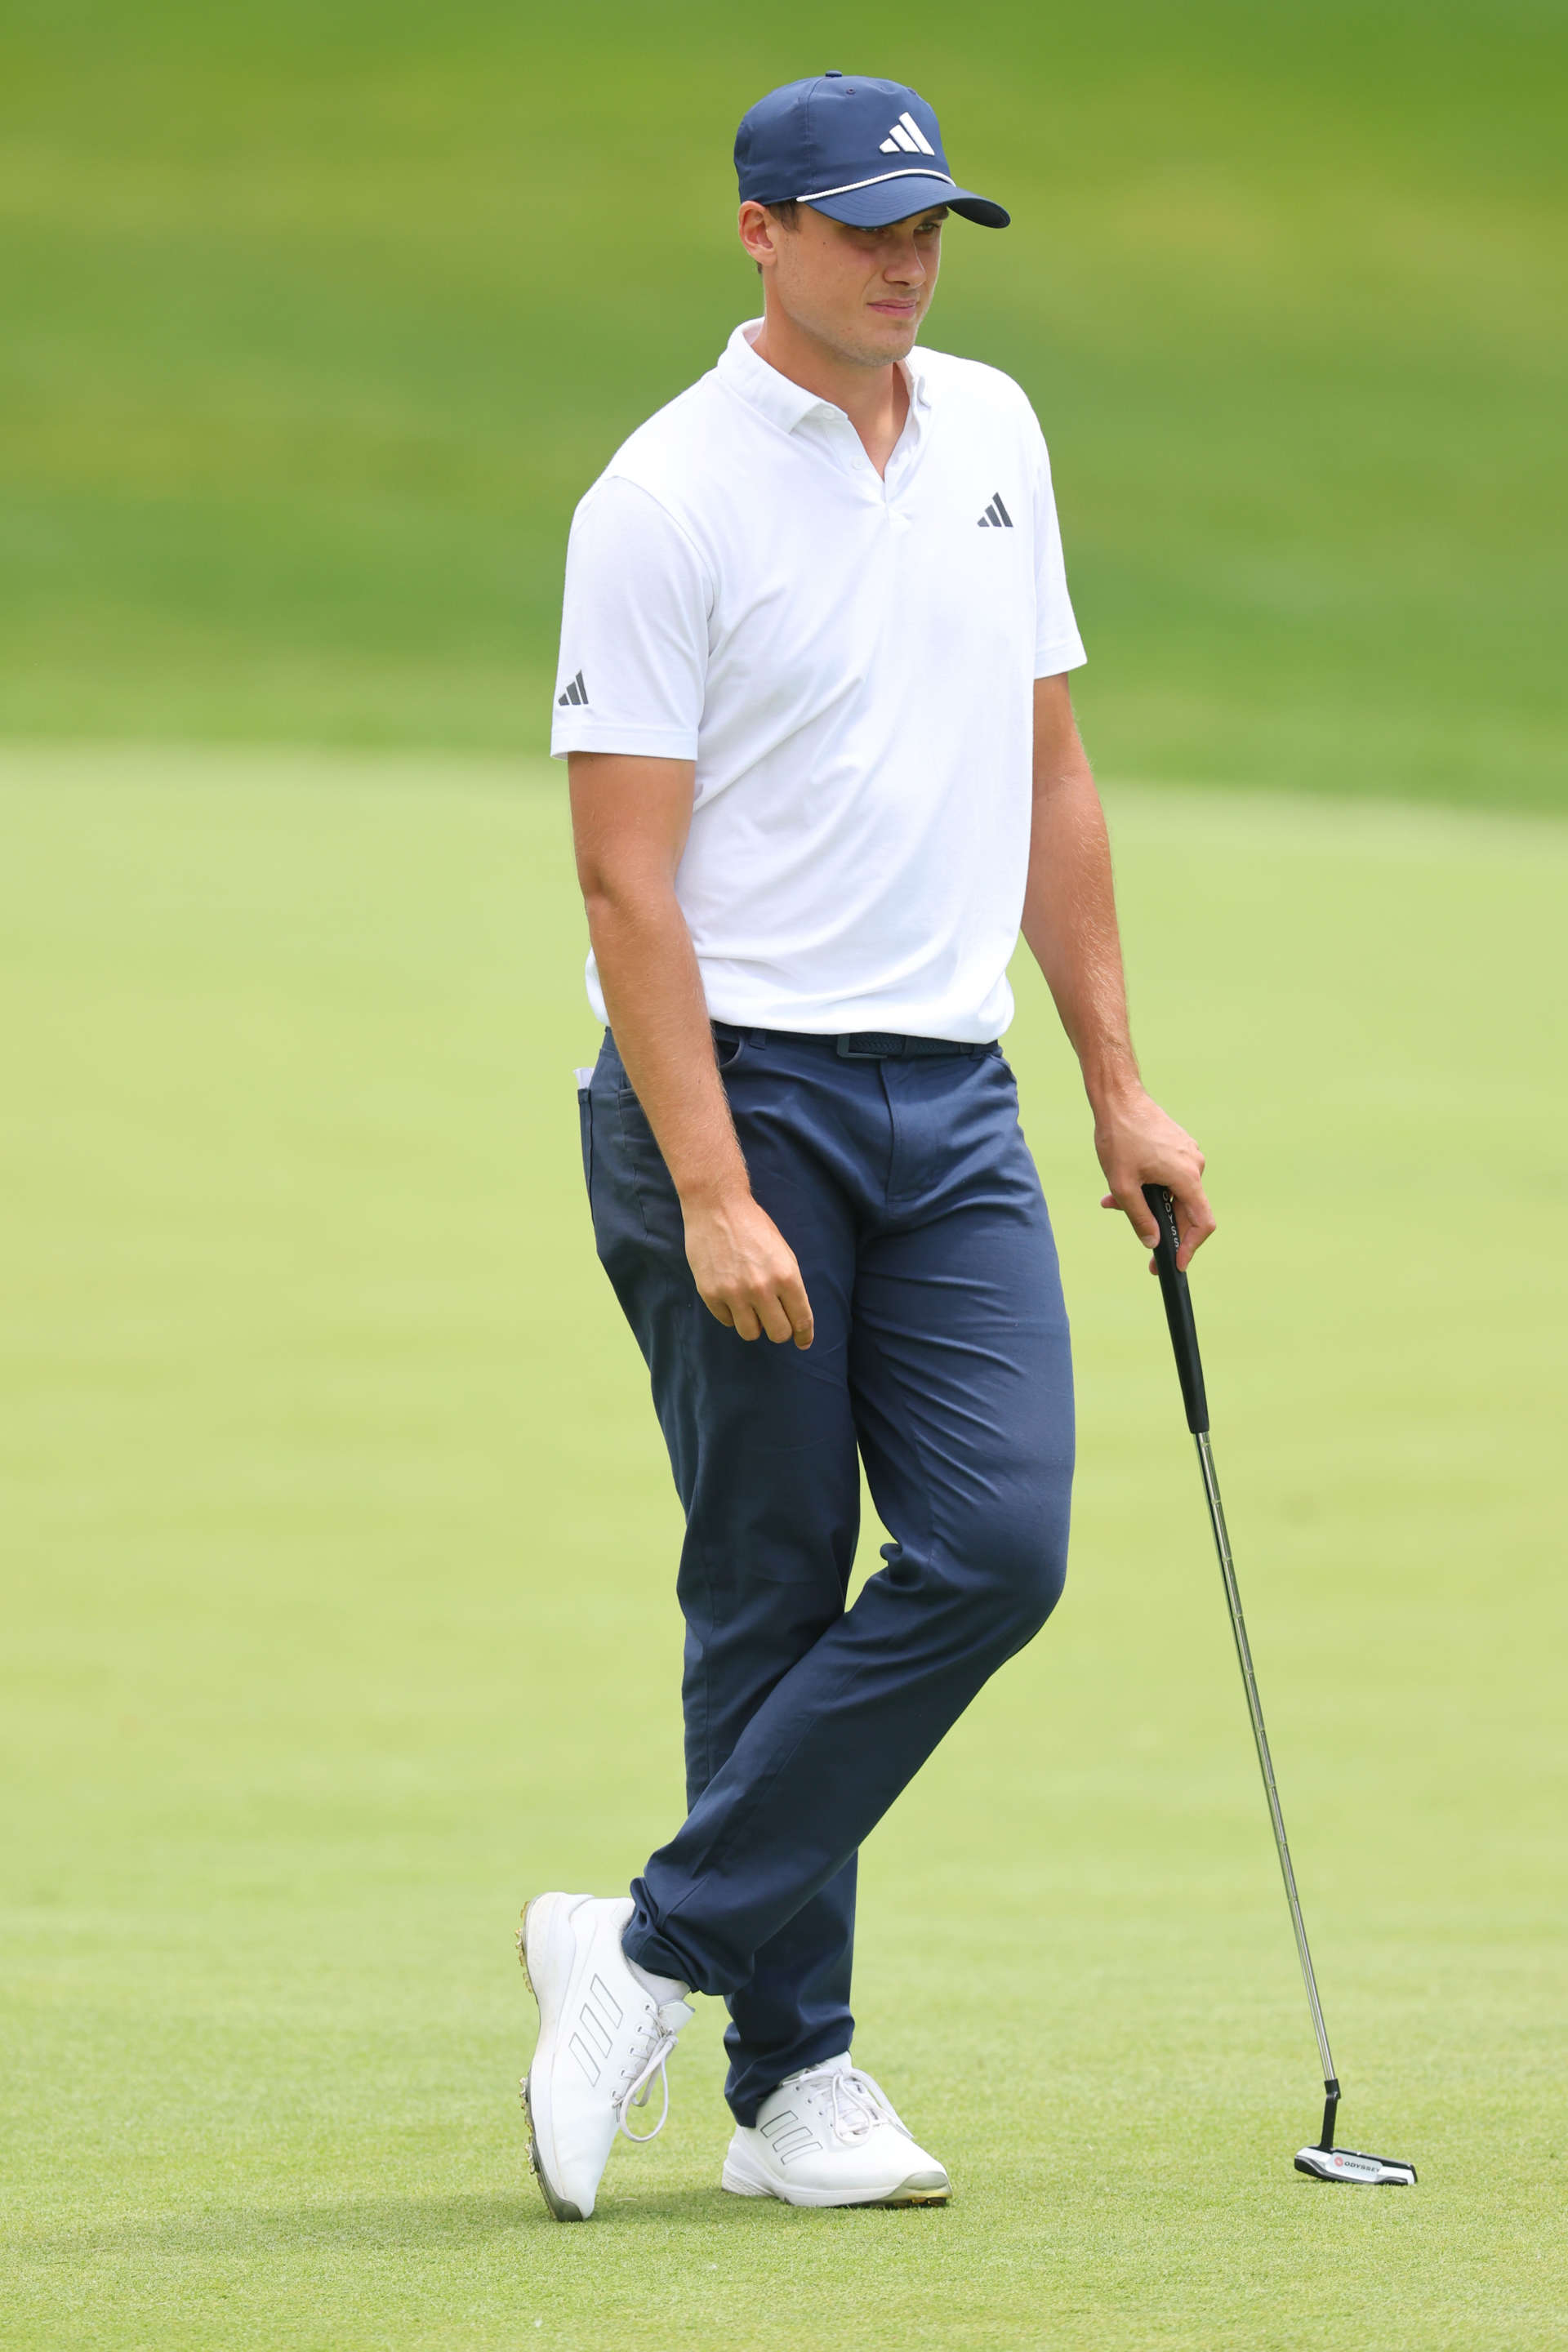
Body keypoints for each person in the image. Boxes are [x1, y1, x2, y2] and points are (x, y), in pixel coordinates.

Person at [520, 69, 1214, 2222]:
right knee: (770, 1577)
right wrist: (714, 1180)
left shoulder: (995, 434)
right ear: (758, 231)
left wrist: (1115, 1073)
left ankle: (644, 1944)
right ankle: (791, 2082)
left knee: (998, 1548)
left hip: (957, 1088)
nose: (903, 258)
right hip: (741, 1091)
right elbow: (627, 883)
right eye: (856, 225)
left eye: (925, 225)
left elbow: (1056, 773)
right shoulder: (663, 496)